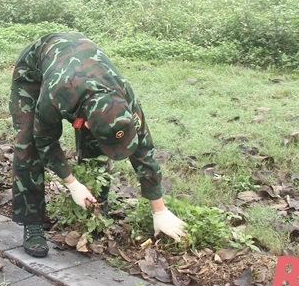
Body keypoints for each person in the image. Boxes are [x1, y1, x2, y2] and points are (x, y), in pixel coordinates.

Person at [10, 31, 186, 257]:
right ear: (87, 123)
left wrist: (159, 211)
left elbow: (144, 153)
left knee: (96, 150)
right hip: (35, 70)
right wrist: (72, 183)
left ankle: (96, 209)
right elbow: (45, 142)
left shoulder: (125, 98)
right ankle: (32, 222)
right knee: (28, 145)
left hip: (82, 67)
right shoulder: (56, 96)